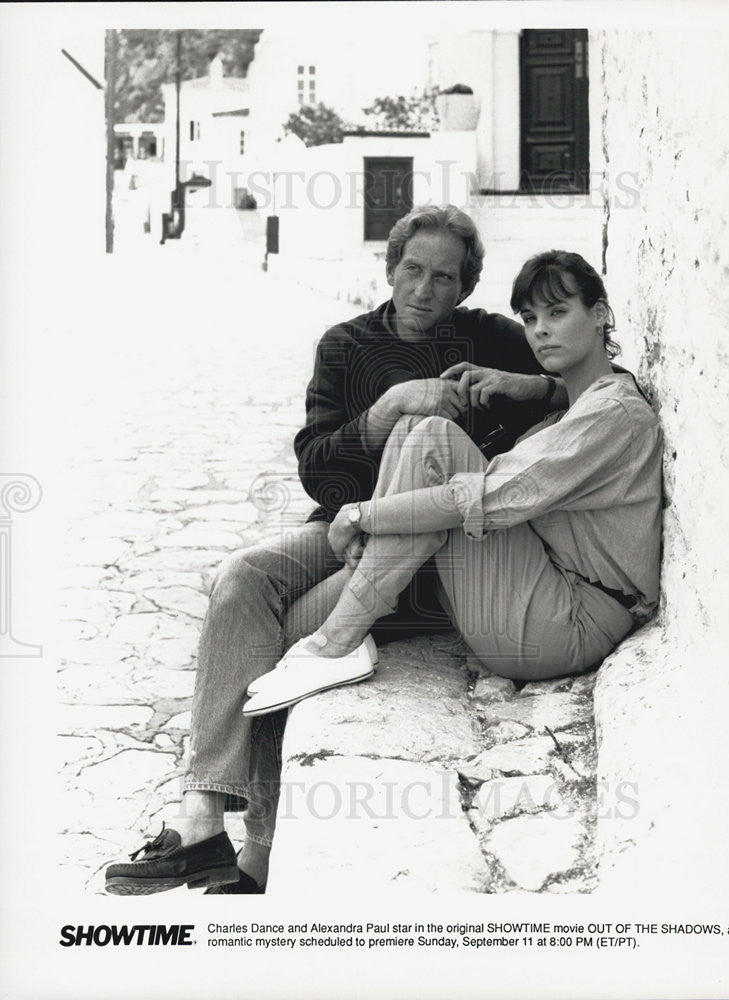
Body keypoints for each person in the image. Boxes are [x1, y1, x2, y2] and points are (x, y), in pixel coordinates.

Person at [104, 206, 566, 896]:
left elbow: (585, 385)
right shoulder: (346, 345)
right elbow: (318, 470)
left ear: (466, 287)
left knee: (285, 634)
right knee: (242, 578)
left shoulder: (495, 340)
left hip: (429, 555)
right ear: (389, 268)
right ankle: (201, 818)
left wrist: (533, 386)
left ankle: (258, 853)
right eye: (412, 270)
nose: (424, 289)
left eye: (444, 277)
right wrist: (384, 413)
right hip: (345, 523)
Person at [242, 250, 662, 717]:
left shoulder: (613, 414)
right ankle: (340, 634)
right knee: (418, 429)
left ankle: (337, 641)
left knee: (437, 440)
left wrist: (360, 515)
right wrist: (534, 387)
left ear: (600, 314)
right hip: (542, 589)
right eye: (529, 318)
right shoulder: (574, 407)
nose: (540, 329)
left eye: (558, 312)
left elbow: (488, 497)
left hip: (571, 622)